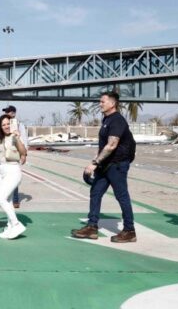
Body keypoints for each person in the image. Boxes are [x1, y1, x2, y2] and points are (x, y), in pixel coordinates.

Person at [71, 92, 137, 243]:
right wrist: (97, 162)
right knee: (95, 192)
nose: (100, 104)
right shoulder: (107, 120)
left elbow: (112, 144)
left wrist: (94, 163)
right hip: (106, 164)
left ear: (112, 104)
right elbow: (104, 146)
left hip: (117, 164)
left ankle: (129, 230)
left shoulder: (117, 120)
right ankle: (92, 227)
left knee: (121, 196)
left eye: (103, 102)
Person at [2, 105, 28, 208]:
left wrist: (24, 154)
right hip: (4, 153)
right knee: (3, 176)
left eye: (8, 112)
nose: (6, 114)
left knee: (14, 176)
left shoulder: (19, 124)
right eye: (6, 112)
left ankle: (15, 200)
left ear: (13, 113)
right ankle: (4, 197)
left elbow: (24, 138)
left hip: (14, 153)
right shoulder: (3, 123)